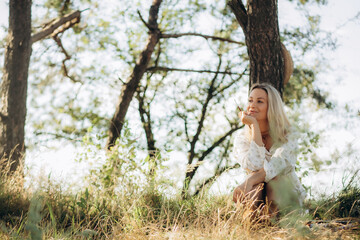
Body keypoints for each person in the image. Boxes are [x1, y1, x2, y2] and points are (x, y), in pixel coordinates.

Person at [232, 83, 305, 215]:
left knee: (276, 180)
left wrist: (249, 181)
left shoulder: (288, 134)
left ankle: (276, 223)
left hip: (284, 195)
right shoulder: (242, 138)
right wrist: (254, 126)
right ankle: (253, 226)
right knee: (255, 187)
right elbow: (255, 165)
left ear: (271, 106)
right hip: (256, 195)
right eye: (250, 100)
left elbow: (278, 166)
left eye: (259, 101)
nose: (252, 105)